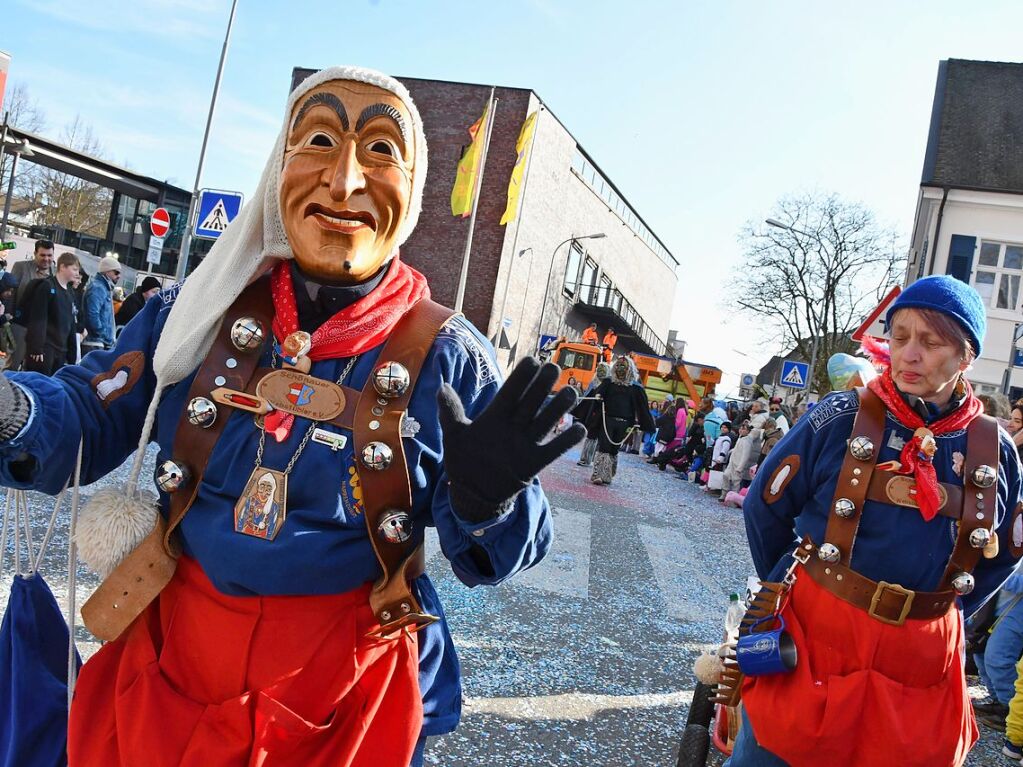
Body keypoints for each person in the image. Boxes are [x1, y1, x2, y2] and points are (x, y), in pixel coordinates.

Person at [0, 66, 584, 767]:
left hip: (344, 694)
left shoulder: (451, 357)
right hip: (173, 664)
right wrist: (11, 409)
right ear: (279, 168)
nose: (343, 181)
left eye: (379, 151)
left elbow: (491, 555)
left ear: (416, 189)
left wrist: (488, 502)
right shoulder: (196, 310)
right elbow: (89, 413)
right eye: (317, 140)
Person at [730, 275, 1023, 766]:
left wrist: (939, 612)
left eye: (930, 343)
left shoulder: (998, 450)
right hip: (818, 634)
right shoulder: (838, 416)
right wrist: (794, 587)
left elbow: (1004, 554)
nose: (908, 354)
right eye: (900, 336)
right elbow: (765, 508)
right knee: (774, 754)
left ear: (966, 356)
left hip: (921, 659)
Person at [578, 356, 654, 485]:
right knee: (604, 446)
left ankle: (608, 473)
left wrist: (642, 423)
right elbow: (598, 393)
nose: (619, 369)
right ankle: (599, 474)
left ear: (629, 369)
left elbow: (642, 407)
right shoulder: (609, 382)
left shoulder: (635, 388)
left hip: (625, 422)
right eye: (617, 366)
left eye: (623, 366)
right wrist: (598, 396)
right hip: (607, 419)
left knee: (614, 448)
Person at [23, 251, 80, 375]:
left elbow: (71, 323)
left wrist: (72, 355)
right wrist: (36, 347)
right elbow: (38, 317)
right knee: (38, 384)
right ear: (63, 266)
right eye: (74, 269)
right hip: (45, 348)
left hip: (61, 349)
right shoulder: (47, 286)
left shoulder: (70, 291)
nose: (77, 273)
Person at [8, 239, 54, 370]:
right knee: (13, 364)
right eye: (43, 255)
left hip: (41, 329)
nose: (46, 259)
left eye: (49, 255)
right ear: (35, 254)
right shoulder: (21, 267)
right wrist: (9, 318)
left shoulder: (55, 273)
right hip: (20, 324)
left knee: (31, 367)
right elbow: (11, 293)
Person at [82, 253, 121, 354]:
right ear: (107, 271)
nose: (119, 276)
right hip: (95, 343)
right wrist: (102, 333)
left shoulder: (103, 287)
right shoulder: (98, 287)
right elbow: (92, 314)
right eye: (116, 272)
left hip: (98, 342)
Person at [575, 360, 610, 467]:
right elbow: (586, 397)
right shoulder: (594, 383)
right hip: (594, 414)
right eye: (599, 370)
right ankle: (586, 459)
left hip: (603, 414)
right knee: (591, 436)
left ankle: (591, 459)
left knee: (598, 439)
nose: (601, 372)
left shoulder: (608, 384)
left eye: (603, 370)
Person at [721, 421, 754, 498]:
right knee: (726, 475)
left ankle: (733, 498)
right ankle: (724, 494)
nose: (741, 430)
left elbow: (745, 455)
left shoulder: (747, 441)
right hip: (732, 462)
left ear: (748, 431)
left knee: (736, 482)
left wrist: (740, 467)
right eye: (741, 429)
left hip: (738, 464)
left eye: (744, 429)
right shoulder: (740, 438)